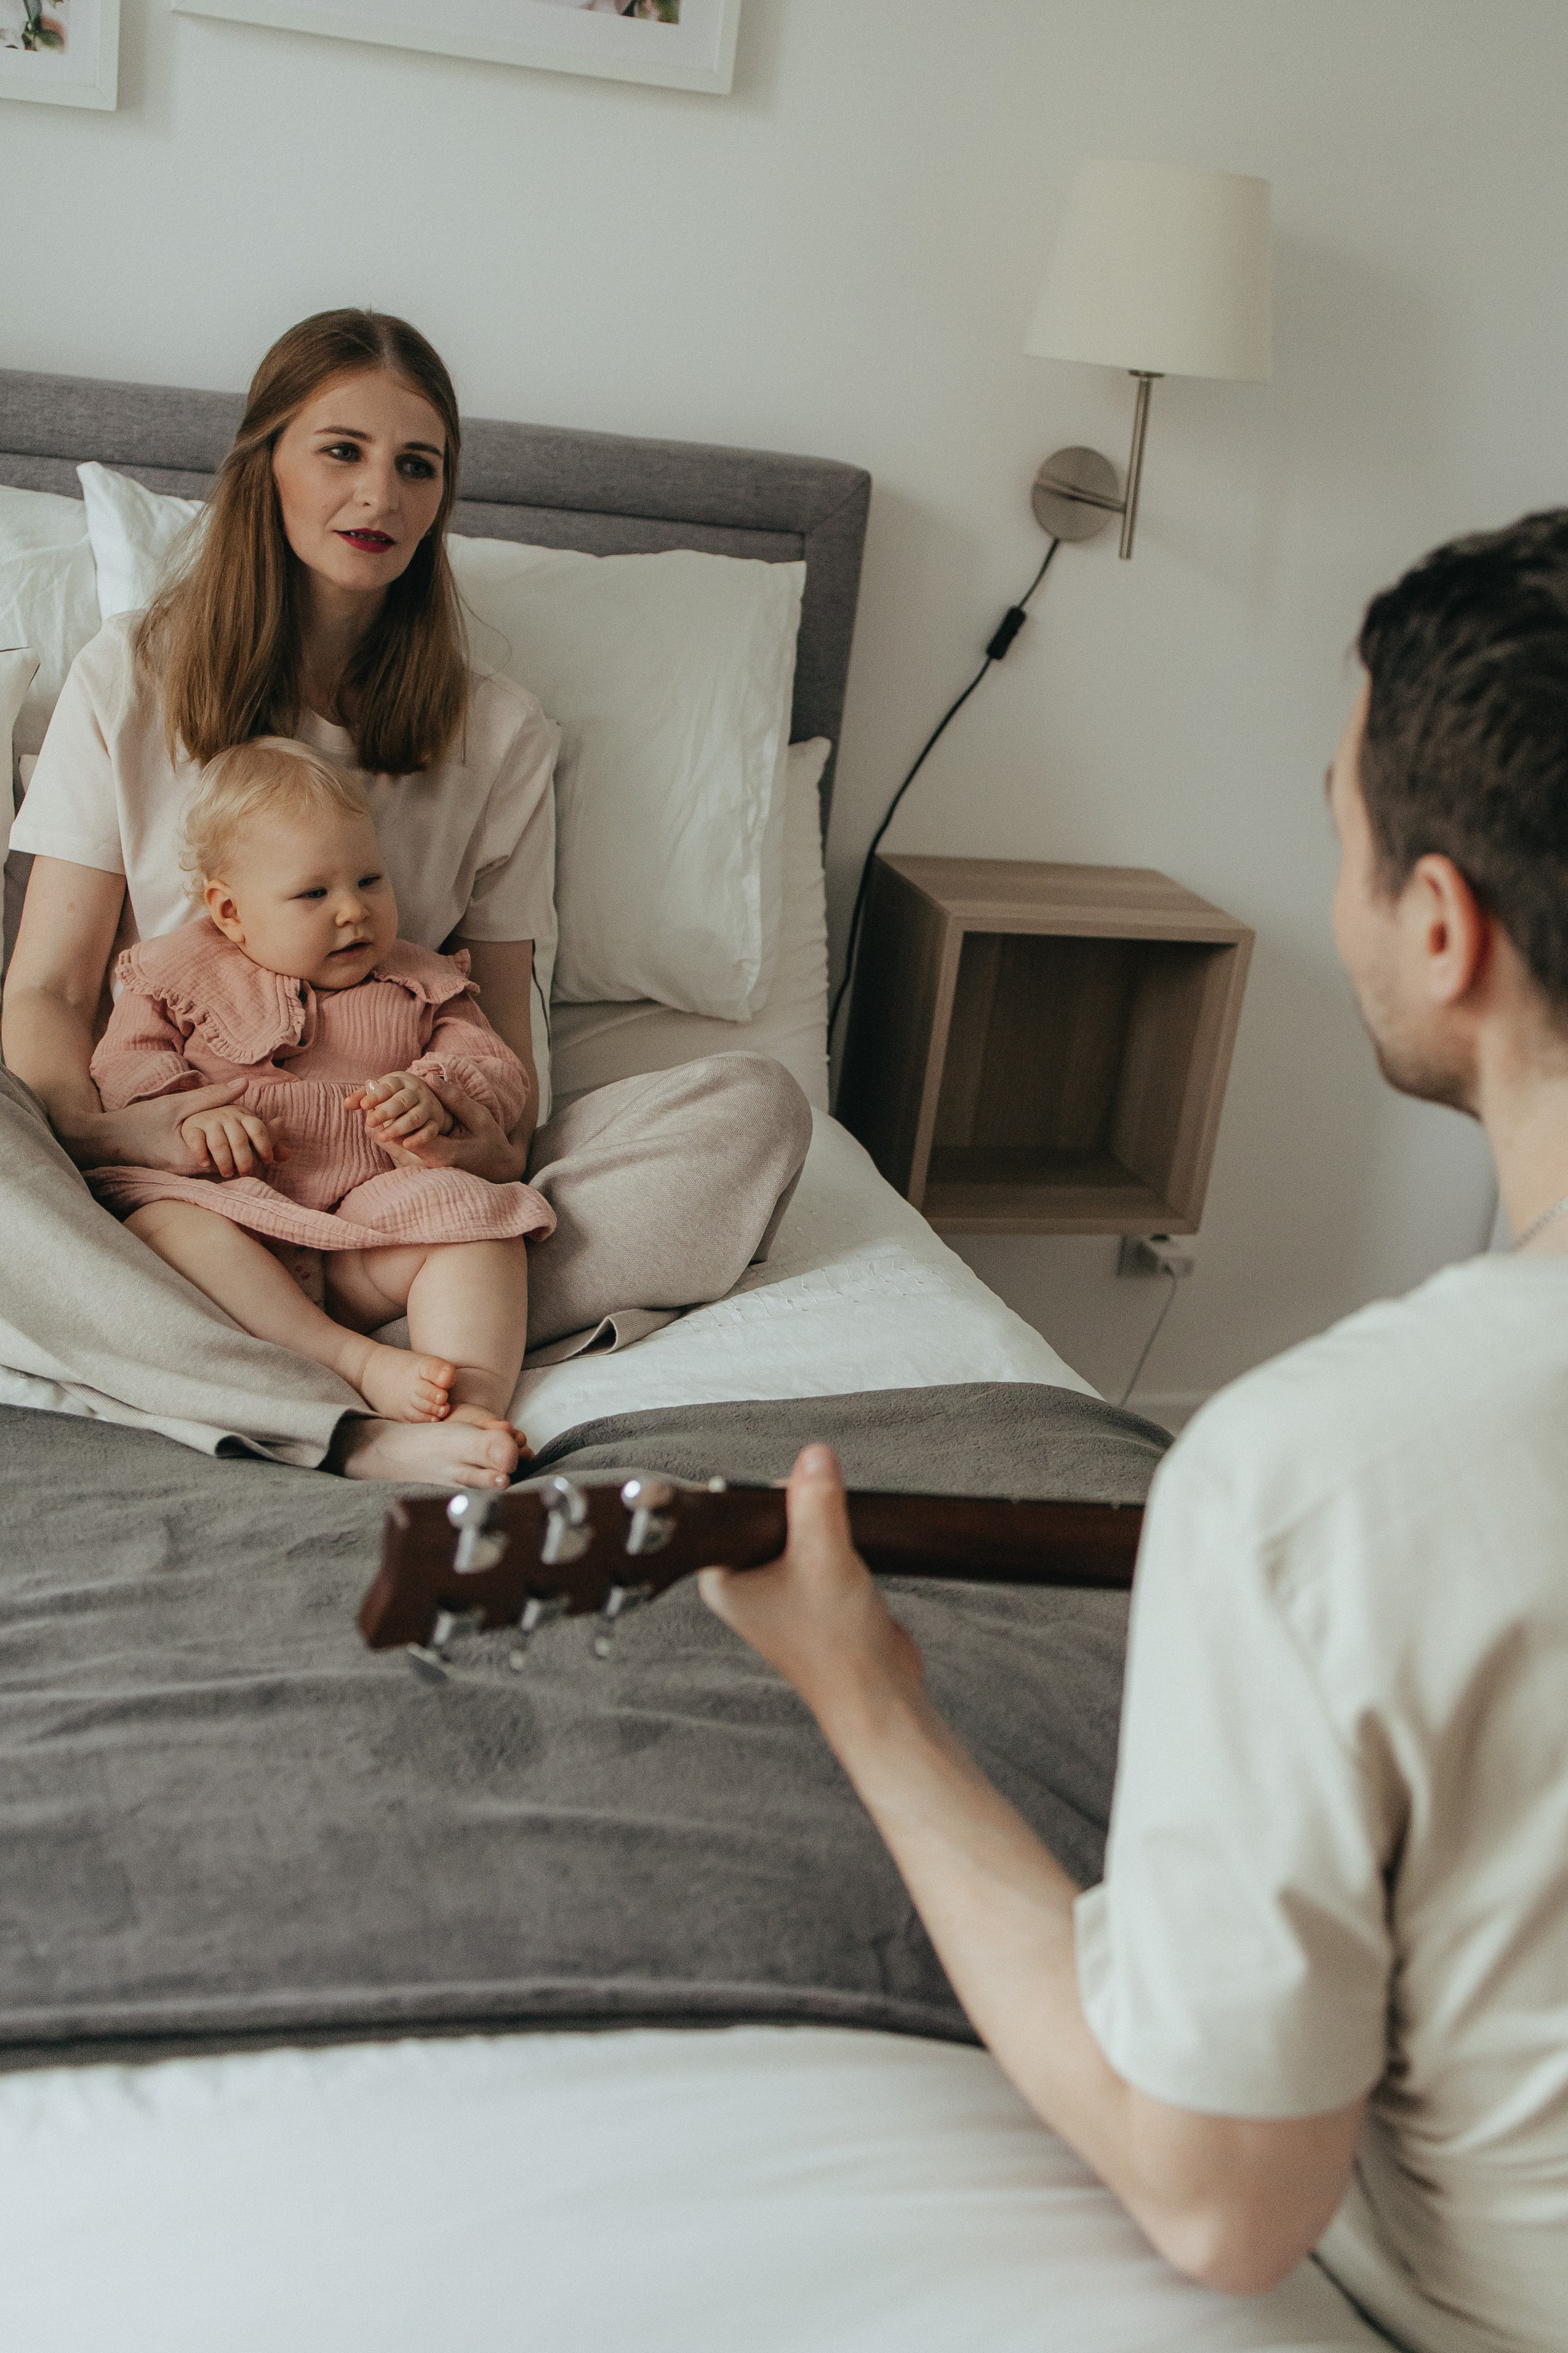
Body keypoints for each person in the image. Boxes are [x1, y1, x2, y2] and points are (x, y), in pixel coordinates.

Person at [701, 515, 1568, 2353]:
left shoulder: (1310, 1472)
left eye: (1334, 825)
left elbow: (1216, 2194)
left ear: (1438, 925)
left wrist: (865, 1693)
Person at [1, 307, 810, 1486]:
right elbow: (47, 990)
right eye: (342, 450)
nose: (380, 493)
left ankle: (327, 1337)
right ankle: (348, 1409)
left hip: (405, 1194)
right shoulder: (128, 677)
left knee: (754, 1109)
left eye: (417, 465)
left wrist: (483, 1137)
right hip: (179, 1188)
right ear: (265, 464)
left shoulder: (500, 732)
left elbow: (503, 1041)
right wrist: (109, 1130)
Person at [88, 738, 550, 1439]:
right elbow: (124, 1064)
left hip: (368, 1231)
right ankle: (352, 1361)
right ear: (230, 911)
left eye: (369, 881)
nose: (353, 911)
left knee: (480, 1220)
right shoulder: (174, 974)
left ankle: (469, 1404)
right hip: (233, 1220)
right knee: (161, 1226)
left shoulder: (422, 981)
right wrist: (184, 1118)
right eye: (314, 893)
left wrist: (435, 1092)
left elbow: (495, 1065)